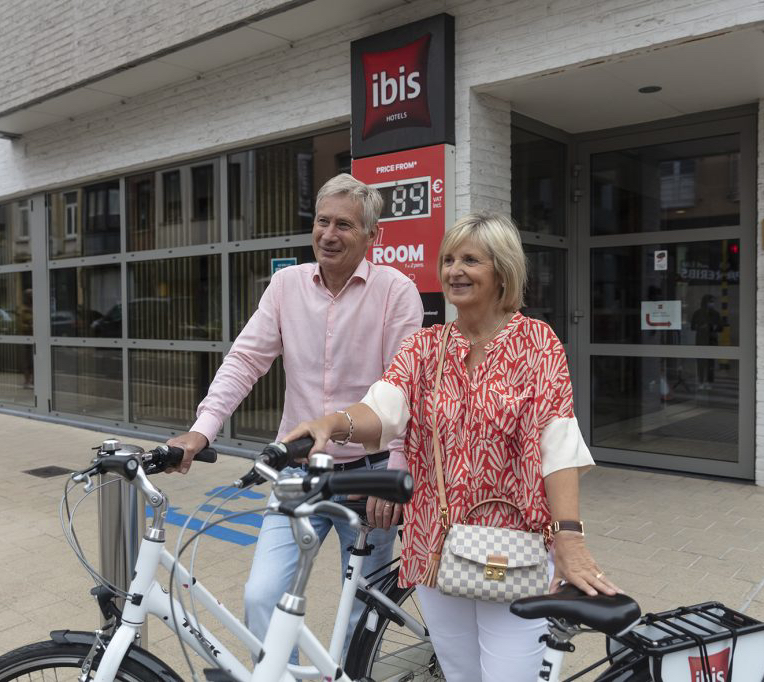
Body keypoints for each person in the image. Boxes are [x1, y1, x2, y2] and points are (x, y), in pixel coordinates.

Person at [286, 211, 619, 682]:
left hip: (513, 549)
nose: (453, 271)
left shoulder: (536, 344)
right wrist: (332, 423)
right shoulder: (426, 347)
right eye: (447, 260)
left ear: (502, 270)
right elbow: (382, 409)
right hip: (435, 548)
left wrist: (568, 538)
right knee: (460, 675)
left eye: (470, 260)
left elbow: (558, 444)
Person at [165, 173, 424, 659]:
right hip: (298, 470)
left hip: (371, 475)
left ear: (373, 236)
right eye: (322, 221)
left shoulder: (396, 291)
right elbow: (245, 361)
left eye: (344, 225)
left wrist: (397, 466)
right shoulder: (285, 286)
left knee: (362, 612)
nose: (329, 234)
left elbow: (406, 387)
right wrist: (201, 431)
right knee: (261, 596)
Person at [690, 294, 722, 389]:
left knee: (711, 362)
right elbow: (692, 327)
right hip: (701, 340)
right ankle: (700, 381)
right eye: (710, 301)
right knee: (700, 362)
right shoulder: (697, 313)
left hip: (712, 340)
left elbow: (721, 327)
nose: (712, 304)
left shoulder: (716, 314)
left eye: (713, 302)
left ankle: (709, 381)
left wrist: (713, 327)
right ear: (705, 302)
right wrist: (701, 327)